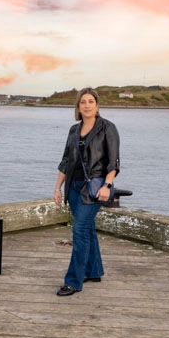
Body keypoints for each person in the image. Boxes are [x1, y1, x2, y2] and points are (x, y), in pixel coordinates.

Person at [53, 87, 120, 296]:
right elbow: (66, 161)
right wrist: (57, 188)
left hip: (94, 190)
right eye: (83, 102)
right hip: (72, 188)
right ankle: (93, 270)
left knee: (79, 231)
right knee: (87, 229)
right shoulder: (74, 130)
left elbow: (114, 162)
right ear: (78, 106)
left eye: (91, 101)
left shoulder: (108, 128)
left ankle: (73, 281)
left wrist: (107, 186)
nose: (87, 105)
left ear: (97, 105)